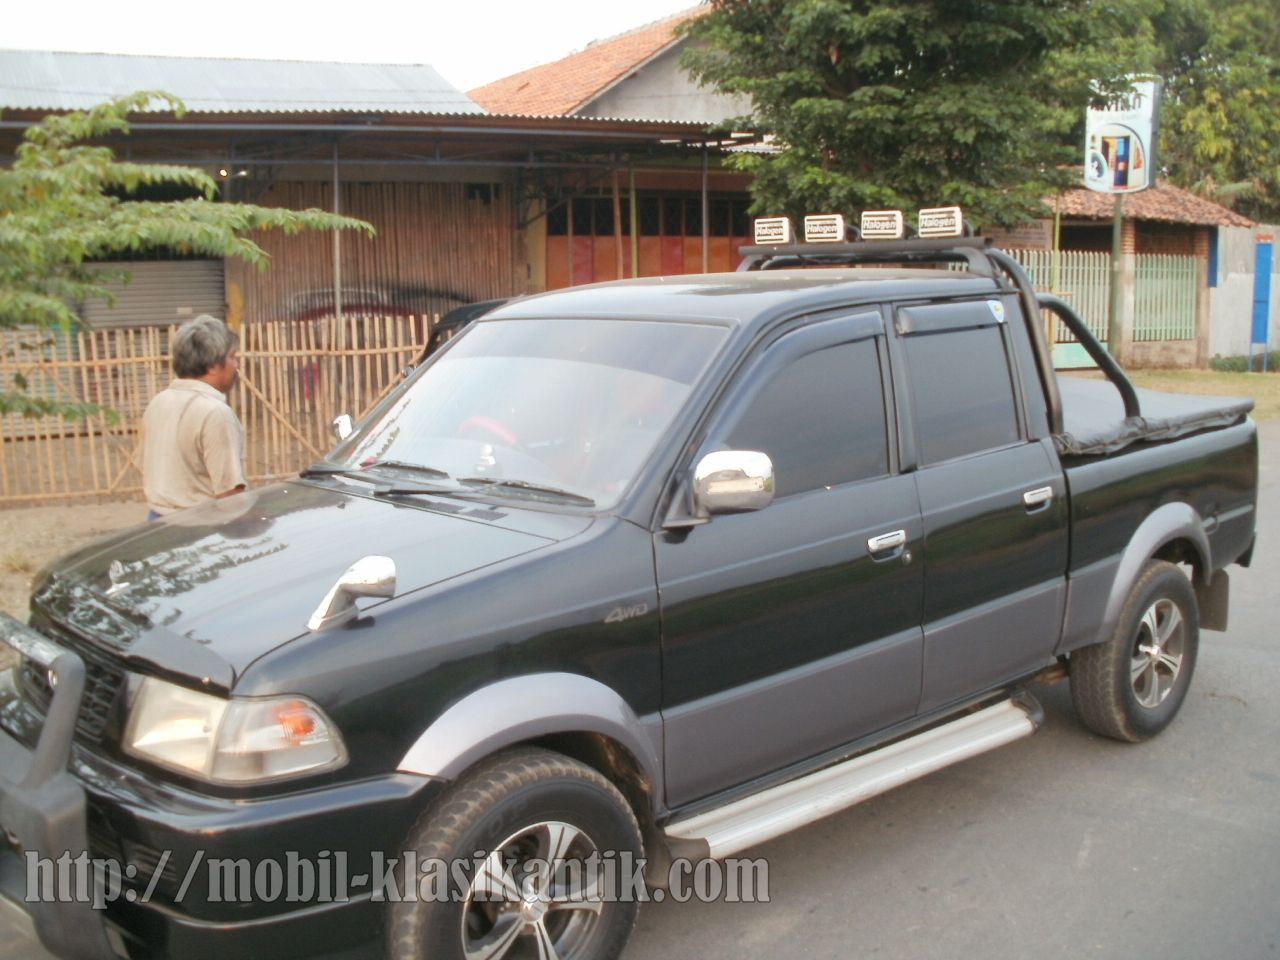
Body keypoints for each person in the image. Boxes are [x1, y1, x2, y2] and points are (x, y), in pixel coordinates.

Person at [141, 315, 246, 519]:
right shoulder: (214, 412)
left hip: (157, 521)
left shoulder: (159, 402)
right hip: (200, 528)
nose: (236, 365)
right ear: (213, 366)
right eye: (232, 357)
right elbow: (229, 495)